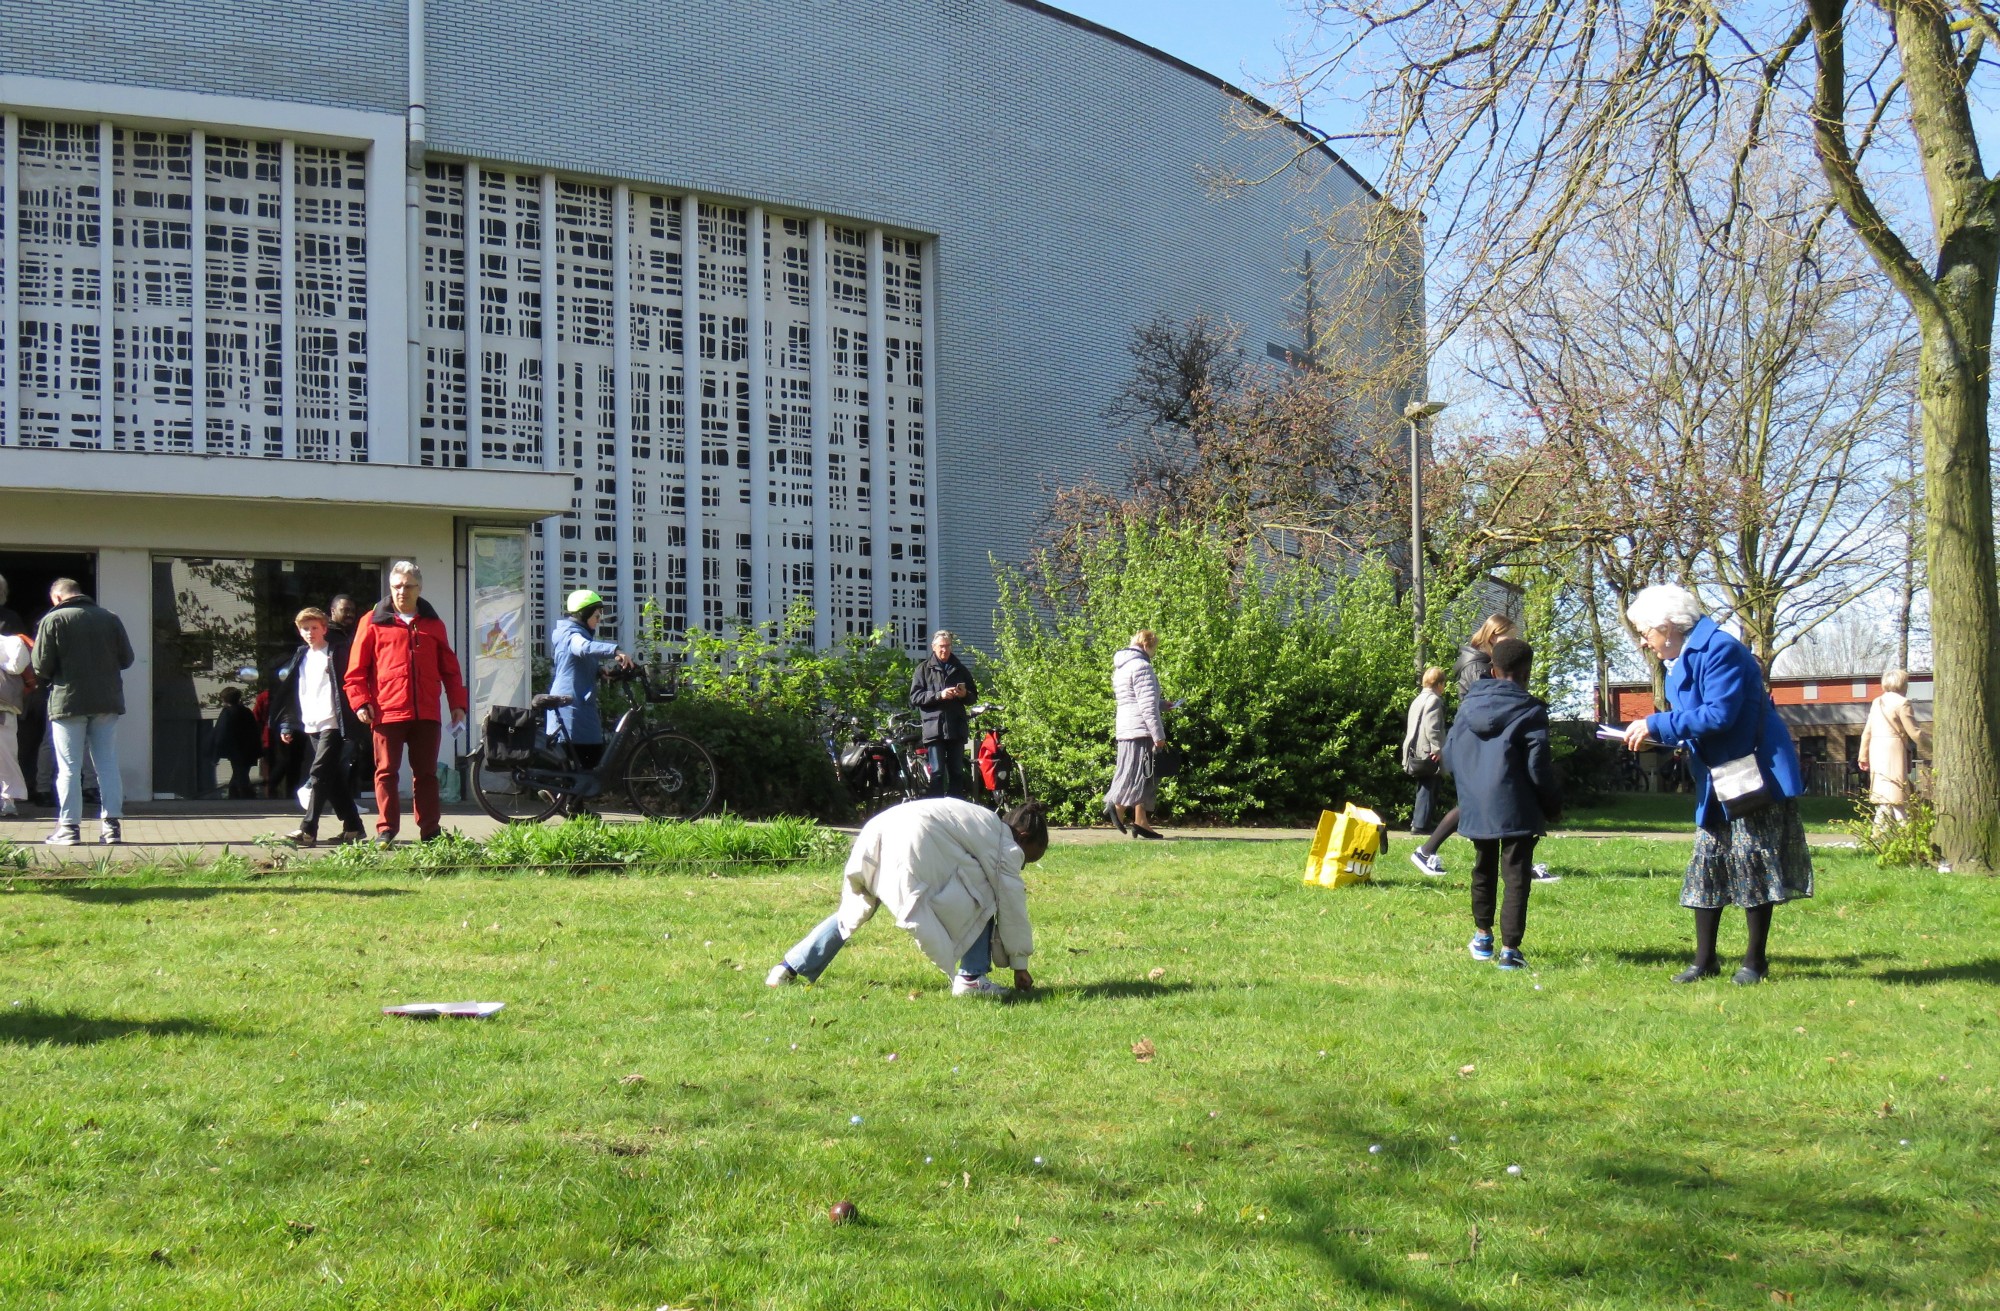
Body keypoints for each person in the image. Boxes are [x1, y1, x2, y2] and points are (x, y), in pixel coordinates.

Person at [1620, 584, 1811, 986]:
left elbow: (1720, 714)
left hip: (1751, 775)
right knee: (1707, 866)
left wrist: (1656, 723)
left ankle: (1754, 962)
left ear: (1667, 626)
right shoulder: (1683, 657)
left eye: (1645, 632)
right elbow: (1694, 720)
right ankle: (1704, 961)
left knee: (1753, 865)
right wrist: (1662, 736)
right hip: (1717, 776)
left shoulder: (1721, 649)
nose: (1643, 641)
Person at [765, 798, 1049, 998]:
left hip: (876, 831)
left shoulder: (981, 820)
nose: (1021, 865)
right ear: (1022, 838)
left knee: (857, 908)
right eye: (1028, 858)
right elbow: (1012, 906)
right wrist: (1020, 966)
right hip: (909, 839)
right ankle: (972, 979)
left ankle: (787, 968)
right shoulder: (1002, 842)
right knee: (987, 891)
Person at [1443, 638, 1563, 970]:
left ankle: (1482, 937)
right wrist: (1552, 804)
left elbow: (1450, 759)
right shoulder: (1532, 710)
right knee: (1516, 877)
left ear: (1493, 669)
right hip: (1518, 804)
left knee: (1482, 868)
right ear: (1526, 673)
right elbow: (1538, 767)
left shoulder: (1466, 707)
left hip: (1476, 803)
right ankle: (1510, 951)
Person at [1409, 614, 1548, 878]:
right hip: (1481, 740)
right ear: (1494, 634)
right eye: (1510, 635)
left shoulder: (1479, 662)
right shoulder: (1478, 666)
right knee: (1484, 799)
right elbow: (1486, 707)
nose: (1514, 641)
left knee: (1479, 800)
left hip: (1478, 738)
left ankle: (1427, 851)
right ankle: (1426, 851)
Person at [343, 561, 468, 846]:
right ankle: (386, 831)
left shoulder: (434, 624)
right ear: (390, 588)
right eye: (396, 586)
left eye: (408, 586)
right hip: (387, 711)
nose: (401, 592)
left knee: (426, 774)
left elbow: (450, 668)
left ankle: (430, 831)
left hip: (426, 711)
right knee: (386, 772)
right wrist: (361, 702)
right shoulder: (372, 621)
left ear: (419, 588)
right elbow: (355, 672)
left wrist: (457, 703)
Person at [32, 578, 135, 846]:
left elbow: (41, 666)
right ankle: (112, 828)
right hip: (107, 701)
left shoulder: (52, 620)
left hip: (68, 702)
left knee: (68, 768)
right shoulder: (110, 618)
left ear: (57, 597)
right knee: (107, 765)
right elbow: (127, 659)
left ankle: (69, 829)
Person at [275, 608, 365, 846]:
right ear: (299, 631)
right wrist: (287, 724)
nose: (310, 632)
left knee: (318, 774)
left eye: (315, 628)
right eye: (305, 628)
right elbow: (291, 693)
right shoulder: (301, 655)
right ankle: (354, 828)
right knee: (332, 778)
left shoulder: (336, 653)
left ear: (324, 629)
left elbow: (352, 683)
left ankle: (308, 830)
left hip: (333, 724)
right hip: (311, 723)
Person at [547, 588, 636, 771]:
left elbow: (576, 663)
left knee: (589, 758)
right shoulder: (572, 635)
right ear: (583, 615)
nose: (599, 620)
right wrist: (615, 651)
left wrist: (600, 671)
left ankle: (566, 797)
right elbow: (583, 648)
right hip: (570, 706)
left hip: (578, 705)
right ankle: (559, 794)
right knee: (588, 757)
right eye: (596, 615)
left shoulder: (575, 632)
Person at [1103, 629, 1169, 840]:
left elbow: (1133, 699)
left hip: (1126, 727)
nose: (1154, 652)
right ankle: (1117, 806)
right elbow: (1147, 706)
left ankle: (1141, 822)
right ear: (1147, 645)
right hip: (1141, 729)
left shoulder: (1122, 667)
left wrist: (1163, 705)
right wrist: (1158, 735)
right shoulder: (1142, 666)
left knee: (1143, 774)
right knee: (1138, 774)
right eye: (1154, 647)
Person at [909, 629, 977, 799]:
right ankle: (936, 812)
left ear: (951, 647)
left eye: (947, 646)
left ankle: (955, 812)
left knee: (956, 772)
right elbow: (915, 697)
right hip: (934, 729)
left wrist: (964, 695)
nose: (944, 650)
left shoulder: (960, 669)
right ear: (933, 647)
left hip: (956, 727)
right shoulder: (923, 669)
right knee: (937, 772)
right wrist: (939, 695)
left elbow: (973, 696)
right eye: (941, 646)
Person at [1858, 669, 1924, 832]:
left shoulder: (1877, 702)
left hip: (1877, 750)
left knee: (1885, 797)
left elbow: (1867, 731)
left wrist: (1863, 755)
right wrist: (1934, 746)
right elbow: (1914, 732)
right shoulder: (1903, 703)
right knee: (1898, 796)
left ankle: (1878, 834)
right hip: (1893, 751)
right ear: (1903, 684)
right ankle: (1907, 833)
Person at [328, 594, 374, 810]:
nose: (349, 615)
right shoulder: (327, 637)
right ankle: (338, 801)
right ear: (332, 611)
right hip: (334, 708)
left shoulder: (355, 635)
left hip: (354, 706)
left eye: (352, 611)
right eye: (344, 610)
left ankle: (347, 802)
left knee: (353, 756)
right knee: (339, 758)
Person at [1402, 666, 1448, 834]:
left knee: (1424, 786)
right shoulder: (1434, 700)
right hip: (1427, 749)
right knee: (1429, 785)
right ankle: (1421, 825)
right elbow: (1432, 728)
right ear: (1440, 684)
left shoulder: (1418, 699)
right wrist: (1437, 749)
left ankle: (1420, 822)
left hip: (1414, 749)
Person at [208, 687, 263, 800]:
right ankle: (237, 796)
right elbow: (255, 730)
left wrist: (215, 756)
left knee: (240, 775)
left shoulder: (227, 713)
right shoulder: (246, 712)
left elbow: (220, 735)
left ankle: (241, 797)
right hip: (249, 749)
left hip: (235, 751)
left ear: (224, 700)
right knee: (241, 774)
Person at [0, 625, 29, 816]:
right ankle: (8, 801)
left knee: (7, 756)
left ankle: (8, 801)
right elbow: (17, 666)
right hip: (5, 708)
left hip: (3, 708)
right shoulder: (12, 642)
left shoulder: (9, 642)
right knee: (7, 756)